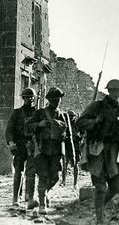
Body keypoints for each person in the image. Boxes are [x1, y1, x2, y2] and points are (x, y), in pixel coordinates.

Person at [77, 79, 119, 225]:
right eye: (114, 90)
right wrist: (94, 122)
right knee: (100, 186)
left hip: (115, 152)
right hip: (98, 150)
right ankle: (99, 219)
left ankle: (99, 205)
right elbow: (80, 122)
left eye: (118, 90)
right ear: (108, 91)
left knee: (116, 187)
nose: (116, 93)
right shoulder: (97, 106)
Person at [26, 86, 74, 214]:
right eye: (53, 100)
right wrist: (38, 125)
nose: (56, 102)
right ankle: (42, 205)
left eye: (58, 99)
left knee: (56, 177)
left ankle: (44, 192)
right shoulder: (40, 113)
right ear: (49, 100)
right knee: (43, 176)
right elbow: (27, 127)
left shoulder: (64, 116)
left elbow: (69, 137)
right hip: (41, 149)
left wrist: (72, 155)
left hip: (56, 152)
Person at [5, 87, 38, 208]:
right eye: (27, 97)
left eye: (31, 97)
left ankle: (30, 197)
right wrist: (11, 143)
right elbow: (9, 130)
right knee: (18, 171)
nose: (29, 99)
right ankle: (16, 197)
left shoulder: (38, 113)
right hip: (19, 146)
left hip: (32, 146)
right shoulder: (17, 113)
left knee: (31, 172)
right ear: (23, 98)